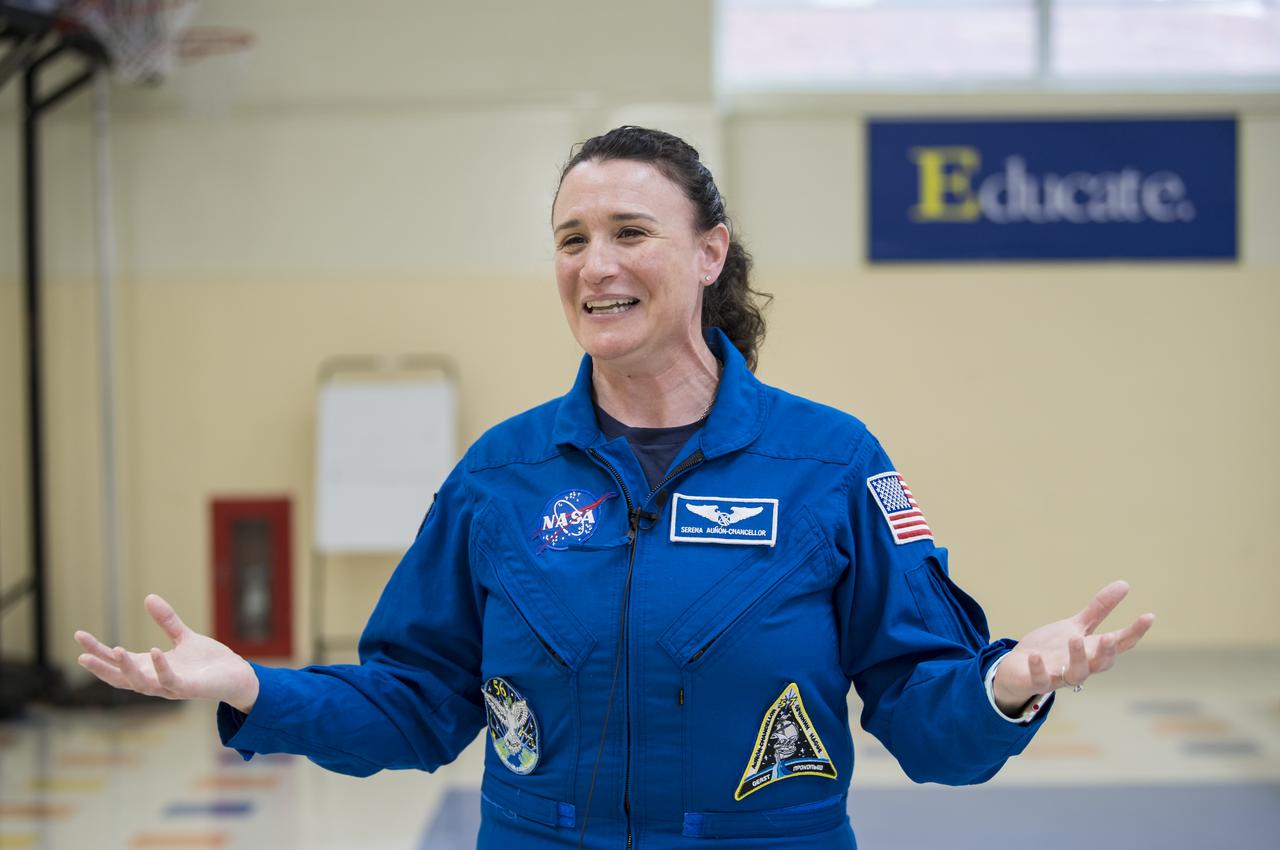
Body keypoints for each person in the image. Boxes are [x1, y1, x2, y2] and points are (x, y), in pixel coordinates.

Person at [74, 126, 1155, 849]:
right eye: (570, 239)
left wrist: (1005, 684)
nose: (595, 264)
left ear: (706, 253)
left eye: (629, 233)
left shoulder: (829, 464)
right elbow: (412, 703)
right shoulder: (498, 478)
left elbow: (927, 723)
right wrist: (254, 689)